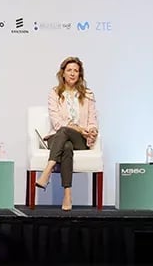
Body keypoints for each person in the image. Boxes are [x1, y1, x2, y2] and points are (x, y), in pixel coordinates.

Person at [34, 56, 99, 211]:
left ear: (80, 74)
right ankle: (68, 195)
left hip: (80, 140)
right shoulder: (54, 93)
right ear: (62, 73)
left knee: (67, 135)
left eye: (76, 71)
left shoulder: (88, 94)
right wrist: (77, 128)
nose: (72, 73)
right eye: (69, 70)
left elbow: (93, 120)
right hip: (58, 138)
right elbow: (57, 122)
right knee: (66, 145)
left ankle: (47, 170)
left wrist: (92, 130)